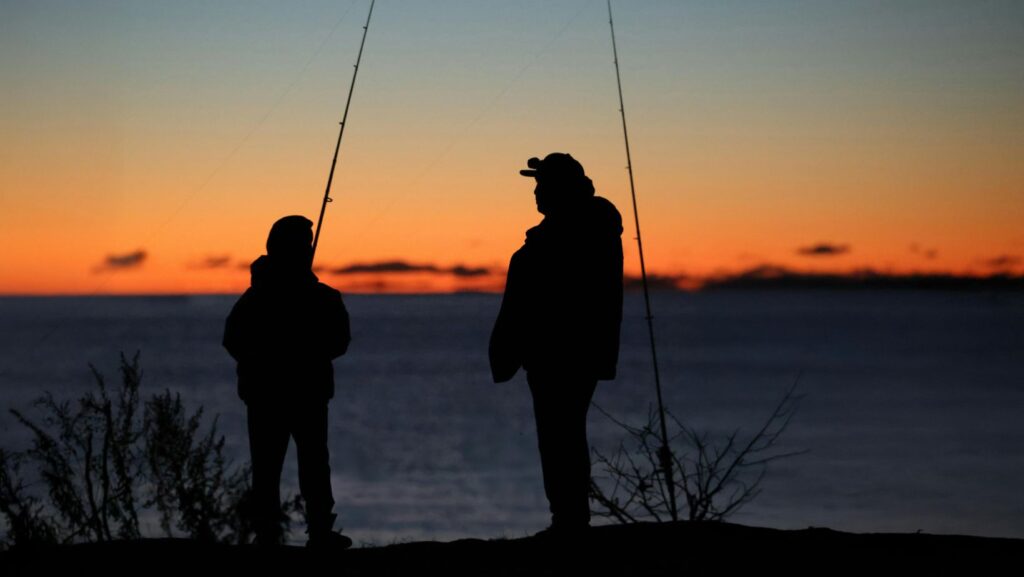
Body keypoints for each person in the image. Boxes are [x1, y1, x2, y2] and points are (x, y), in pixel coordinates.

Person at [490, 153, 623, 535]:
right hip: (559, 353)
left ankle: (569, 520)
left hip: (564, 353)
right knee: (560, 435)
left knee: (560, 435)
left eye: (542, 185)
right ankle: (568, 517)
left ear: (560, 189)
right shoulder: (576, 229)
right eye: (536, 185)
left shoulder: (576, 231)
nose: (536, 192)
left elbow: (552, 293)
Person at [223, 215, 353, 548]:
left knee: (277, 466)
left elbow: (233, 340)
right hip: (297, 393)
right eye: (302, 245)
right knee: (303, 466)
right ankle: (309, 532)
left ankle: (279, 534)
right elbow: (338, 341)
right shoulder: (319, 297)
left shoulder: (259, 298)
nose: (307, 250)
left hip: (275, 394)